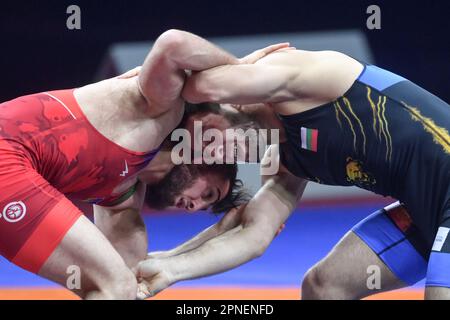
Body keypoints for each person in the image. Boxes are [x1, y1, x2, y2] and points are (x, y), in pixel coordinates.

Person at [137, 46, 450, 299]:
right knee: (323, 288)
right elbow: (251, 238)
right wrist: (170, 266)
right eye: (207, 155)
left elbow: (175, 45)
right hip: (426, 213)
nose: (217, 152)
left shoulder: (299, 78)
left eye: (208, 137)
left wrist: (237, 66)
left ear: (218, 103)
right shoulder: (286, 163)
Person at [0, 29, 261, 299]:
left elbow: (138, 279)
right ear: (196, 157)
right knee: (114, 285)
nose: (195, 205)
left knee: (122, 288)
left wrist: (218, 232)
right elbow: (174, 43)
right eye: (209, 193)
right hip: (7, 152)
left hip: (12, 175)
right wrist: (240, 75)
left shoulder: (122, 198)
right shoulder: (161, 108)